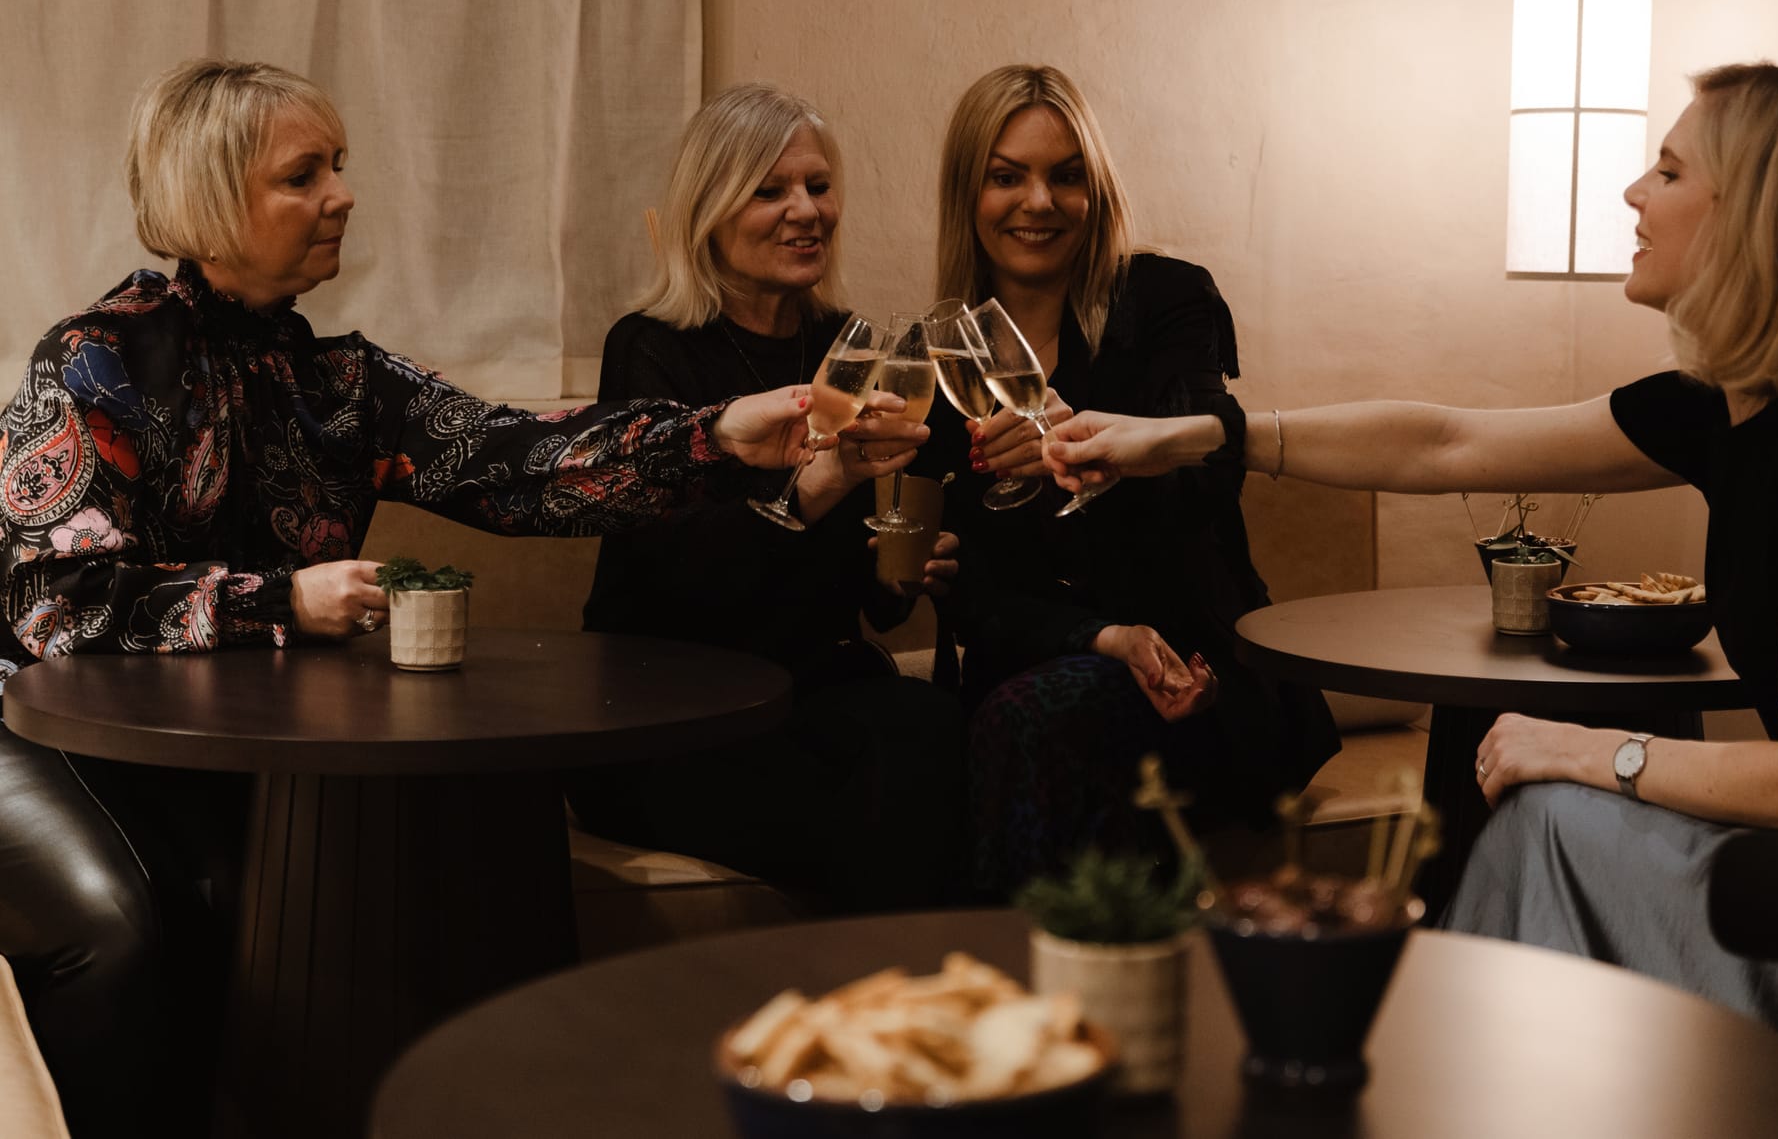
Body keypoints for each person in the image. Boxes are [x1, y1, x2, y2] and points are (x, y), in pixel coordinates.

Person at [1043, 62, 1778, 1132]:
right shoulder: (1736, 405)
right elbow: (1444, 442)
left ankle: (1405, 1093)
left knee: (1551, 819)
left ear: (1760, 209)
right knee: (1547, 828)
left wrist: (1586, 749)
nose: (1632, 193)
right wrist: (1200, 435)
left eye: (1668, 170)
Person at [0, 59, 834, 1138]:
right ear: (211, 197)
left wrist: (718, 435)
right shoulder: (91, 360)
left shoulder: (341, 384)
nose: (343, 194)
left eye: (338, 166)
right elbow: (54, 600)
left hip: (218, 748)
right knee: (124, 931)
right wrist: (281, 603)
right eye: (304, 174)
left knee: (347, 908)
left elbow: (522, 461)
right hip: (38, 729)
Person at [921, 64, 1339, 898]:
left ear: (1097, 189)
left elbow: (1208, 479)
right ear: (969, 192)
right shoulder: (948, 359)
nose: (1039, 201)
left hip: (1197, 668)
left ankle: (1054, 968)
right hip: (1045, 666)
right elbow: (973, 592)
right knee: (986, 728)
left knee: (1036, 728)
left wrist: (1095, 453)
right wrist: (1097, 635)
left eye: (1065, 175)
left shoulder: (1168, 300)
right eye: (1007, 176)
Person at [568, 82, 966, 911]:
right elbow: (674, 570)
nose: (806, 211)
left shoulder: (848, 347)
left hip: (809, 691)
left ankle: (906, 976)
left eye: (818, 186)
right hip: (666, 708)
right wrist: (815, 486)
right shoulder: (649, 348)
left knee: (937, 732)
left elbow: (873, 598)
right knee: (861, 802)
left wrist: (902, 571)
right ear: (708, 210)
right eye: (769, 190)